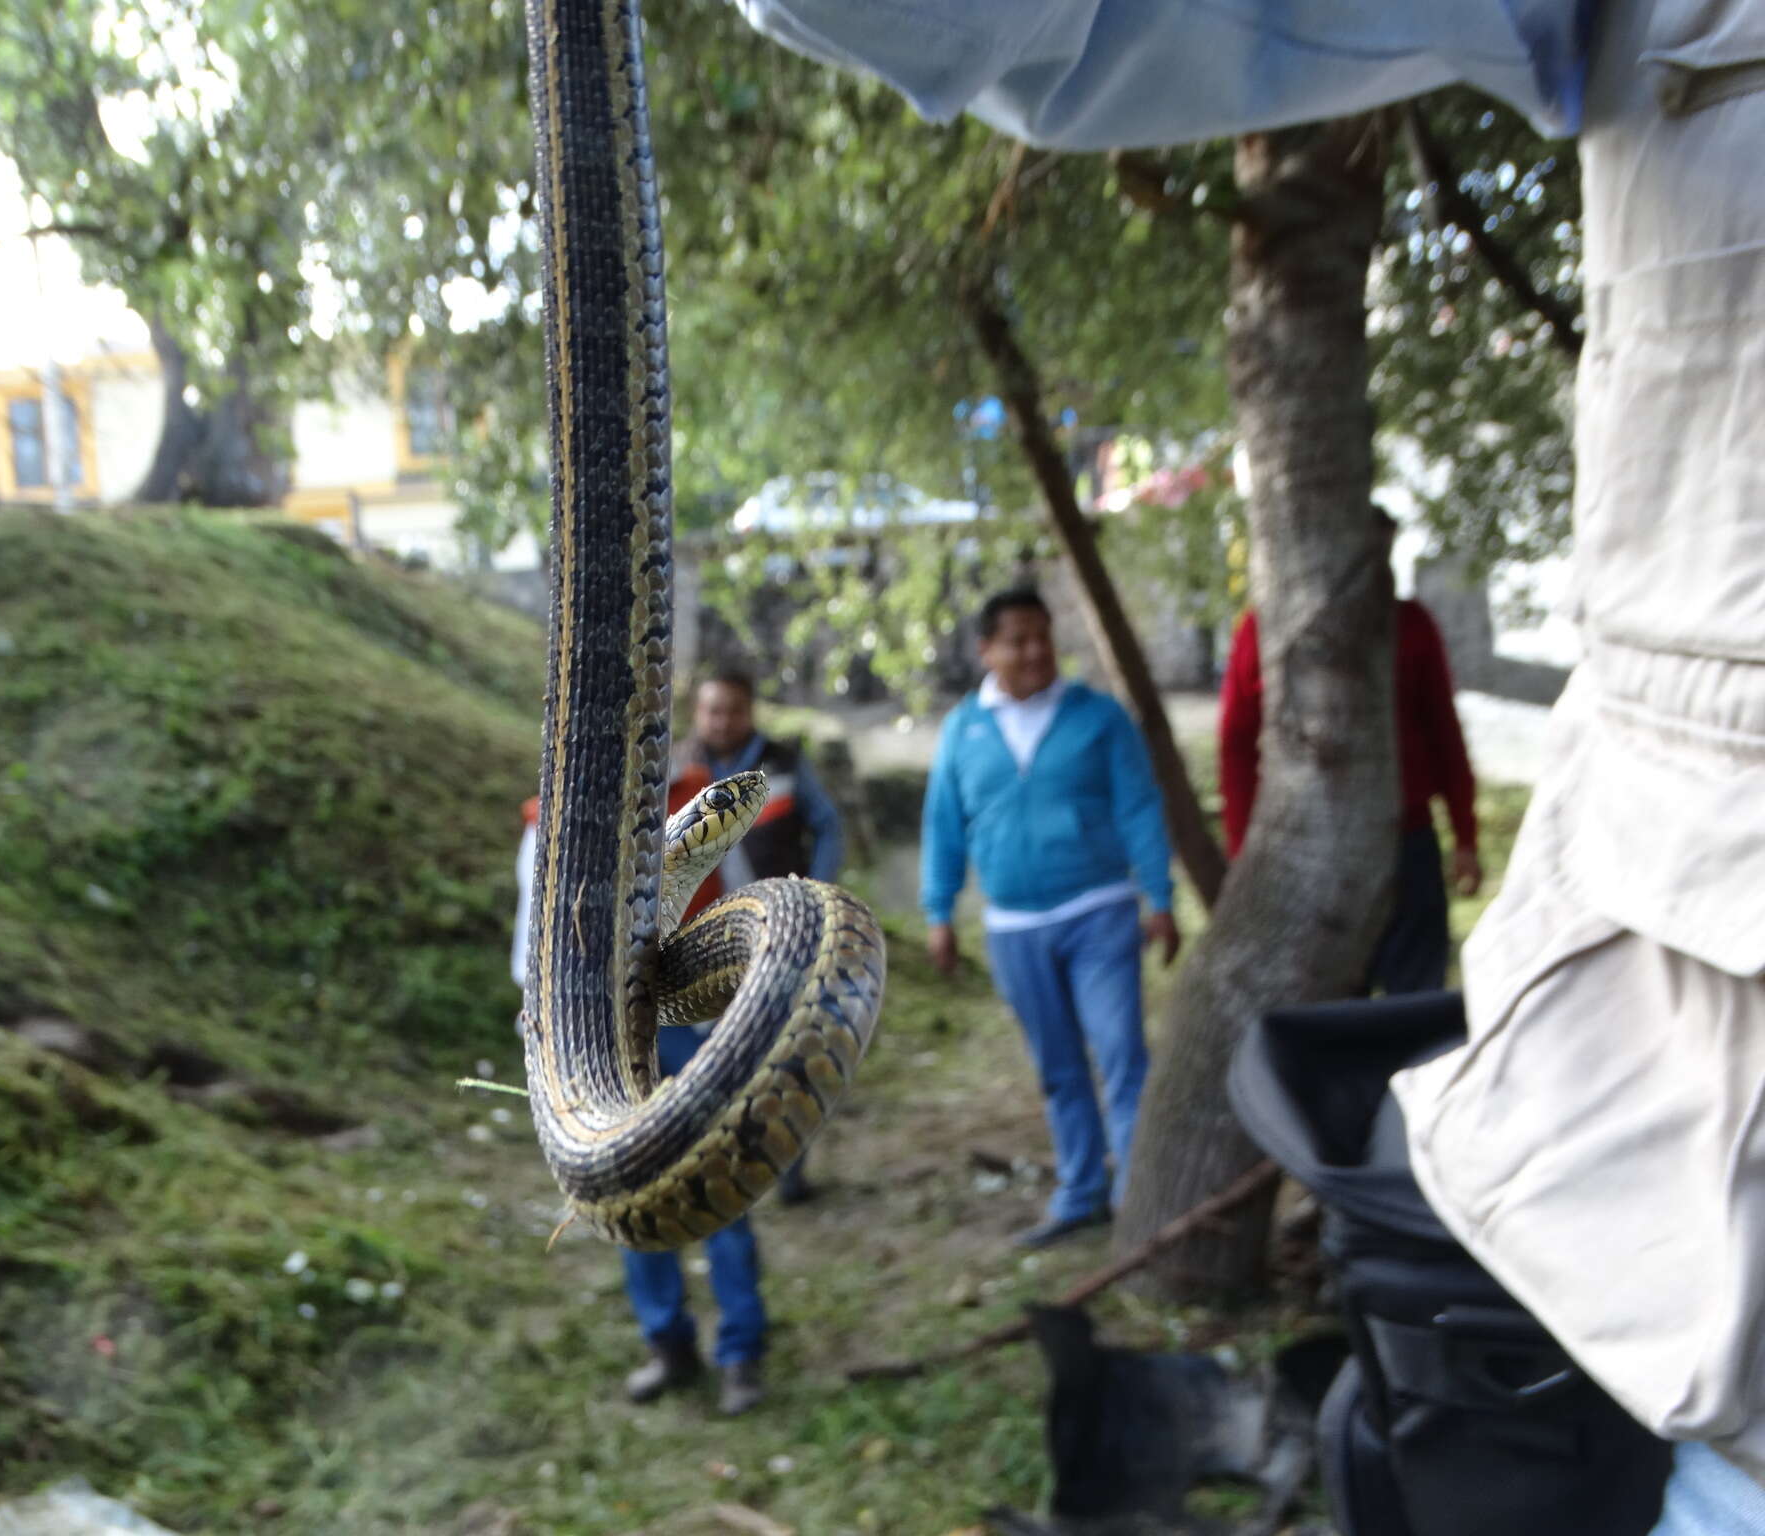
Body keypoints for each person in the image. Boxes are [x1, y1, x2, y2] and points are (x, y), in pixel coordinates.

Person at [736, 0, 1765, 1525]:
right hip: (1711, 1342)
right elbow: (1071, 34)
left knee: (1319, 990)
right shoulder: (1107, 695)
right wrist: (950, 902)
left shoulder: (1359, 645)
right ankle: (1087, 1185)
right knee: (1081, 1070)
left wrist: (1406, 843)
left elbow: (1391, 746)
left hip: (1253, 888)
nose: (1022, 661)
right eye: (1007, 644)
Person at [921, 588, 1181, 1248]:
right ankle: (1080, 1192)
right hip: (1012, 927)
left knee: (1122, 1053)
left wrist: (1160, 895)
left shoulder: (1098, 717)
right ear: (987, 651)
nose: (1035, 650)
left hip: (1098, 910)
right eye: (1018, 639)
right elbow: (944, 826)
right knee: (1059, 1066)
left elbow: (1139, 808)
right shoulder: (963, 730)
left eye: (1043, 635)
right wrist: (939, 910)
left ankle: (1135, 1200)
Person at [511, 770, 769, 1417]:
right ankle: (668, 1344)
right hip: (603, 1043)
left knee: (719, 1174)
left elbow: (739, 905)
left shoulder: (675, 805)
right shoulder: (546, 826)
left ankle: (741, 1352)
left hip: (690, 1030)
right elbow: (532, 935)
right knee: (629, 1185)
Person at [1218, 506, 1482, 994]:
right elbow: (1236, 744)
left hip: (1408, 841)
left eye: (1385, 554)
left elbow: (1444, 732)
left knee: (1415, 998)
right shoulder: (1265, 632)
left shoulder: (1412, 625)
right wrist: (1242, 850)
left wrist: (1464, 835)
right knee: (1330, 999)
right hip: (1311, 850)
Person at [674, 665, 847, 1205]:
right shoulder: (677, 767)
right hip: (704, 941)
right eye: (712, 710)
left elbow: (828, 825)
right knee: (721, 1050)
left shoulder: (784, 763)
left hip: (783, 932)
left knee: (786, 1043)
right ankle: (734, 1161)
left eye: (734, 710)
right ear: (698, 713)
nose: (723, 721)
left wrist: (814, 892)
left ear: (750, 712)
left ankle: (786, 1166)